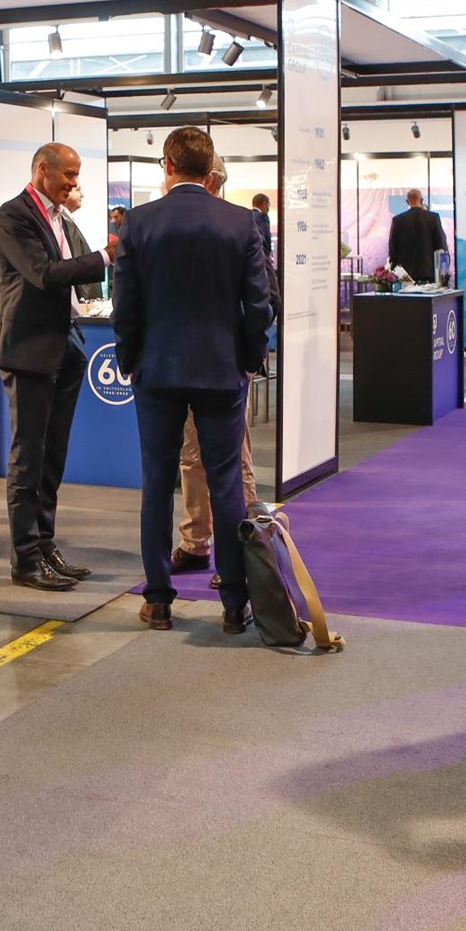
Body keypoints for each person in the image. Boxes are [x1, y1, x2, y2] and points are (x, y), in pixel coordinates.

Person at [115, 127, 274, 631]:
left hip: (157, 371)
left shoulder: (138, 222)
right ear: (211, 170)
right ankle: (234, 603)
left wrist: (129, 359)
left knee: (157, 483)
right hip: (221, 370)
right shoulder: (241, 221)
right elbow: (259, 304)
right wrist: (250, 359)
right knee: (226, 484)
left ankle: (159, 599)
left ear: (167, 165)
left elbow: (125, 305)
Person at [0, 142, 113, 591]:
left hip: (65, 348)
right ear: (43, 170)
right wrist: (106, 256)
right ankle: (25, 559)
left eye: (77, 175)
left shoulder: (60, 218)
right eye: (69, 174)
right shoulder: (12, 216)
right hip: (28, 351)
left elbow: (74, 273)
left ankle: (44, 545)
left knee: (52, 456)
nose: (74, 183)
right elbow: (43, 273)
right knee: (28, 458)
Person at [174, 156, 262, 575]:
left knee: (233, 461)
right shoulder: (172, 225)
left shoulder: (240, 224)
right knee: (191, 456)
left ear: (211, 180)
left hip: (226, 366)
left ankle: (245, 551)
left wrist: (249, 358)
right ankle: (196, 541)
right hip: (185, 364)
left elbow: (264, 298)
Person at [390, 188, 449, 282]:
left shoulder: (398, 220)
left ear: (407, 202)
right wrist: (443, 273)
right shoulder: (433, 218)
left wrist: (395, 270)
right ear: (421, 200)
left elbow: (393, 248)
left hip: (405, 276)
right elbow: (441, 245)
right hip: (429, 272)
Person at [249, 192, 273, 263]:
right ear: (264, 204)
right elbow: (266, 238)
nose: (268, 209)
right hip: (261, 258)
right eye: (268, 205)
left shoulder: (247, 215)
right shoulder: (263, 217)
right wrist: (268, 256)